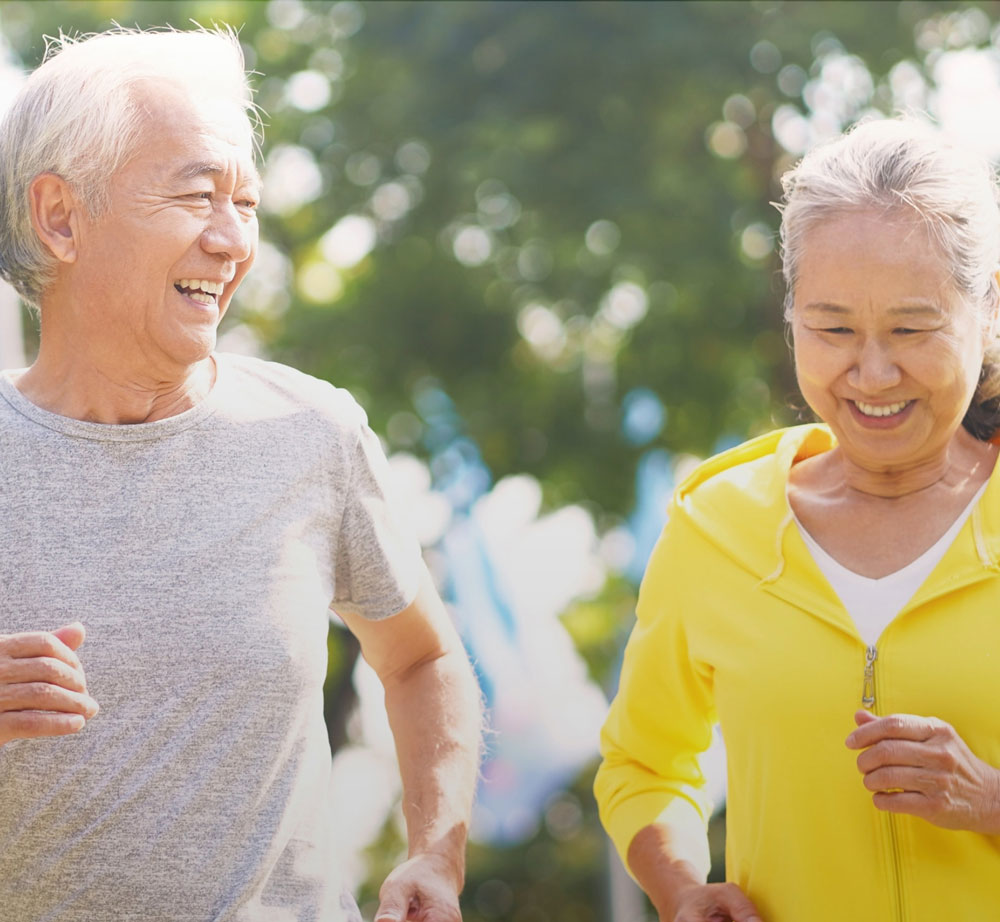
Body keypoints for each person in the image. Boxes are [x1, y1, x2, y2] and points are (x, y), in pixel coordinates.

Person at [0, 27, 482, 922]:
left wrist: (436, 854)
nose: (233, 242)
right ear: (60, 216)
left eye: (246, 203)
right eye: (196, 197)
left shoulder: (312, 431)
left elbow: (424, 657)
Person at [594, 117, 1000, 922]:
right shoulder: (716, 527)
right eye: (833, 328)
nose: (872, 373)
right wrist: (681, 888)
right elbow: (643, 763)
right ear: (791, 317)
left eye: (911, 328)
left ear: (988, 306)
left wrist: (988, 801)